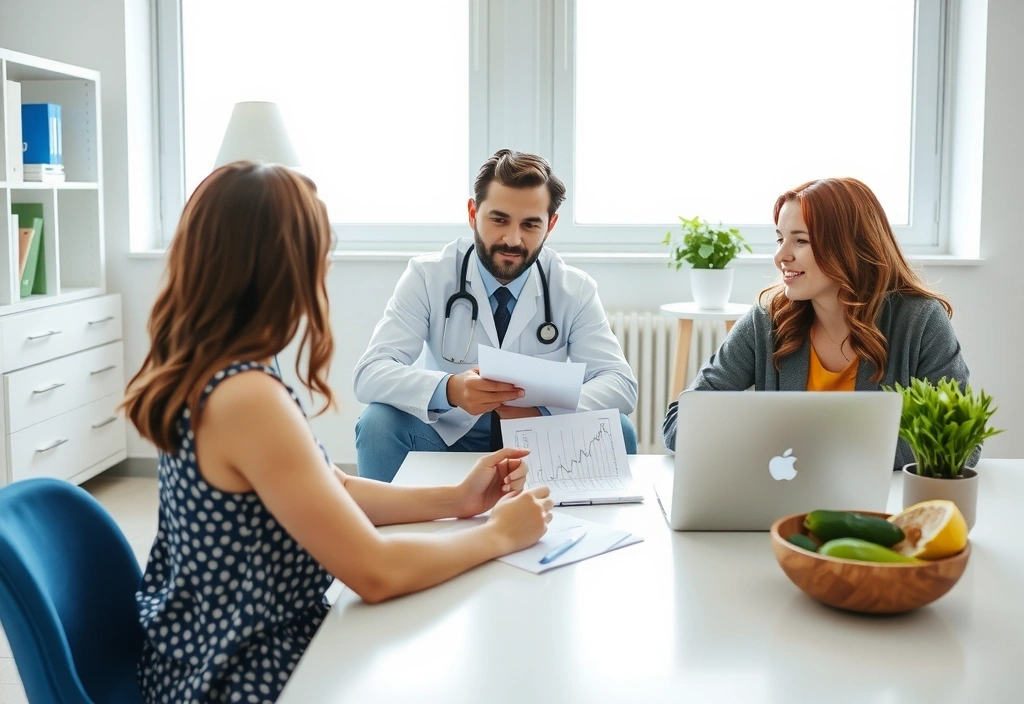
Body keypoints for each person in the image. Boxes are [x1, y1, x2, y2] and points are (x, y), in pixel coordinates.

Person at [122, 162, 554, 704]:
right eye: (317, 253)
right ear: (280, 267)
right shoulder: (247, 397)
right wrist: (499, 535)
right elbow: (375, 572)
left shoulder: (225, 365)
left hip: (211, 647)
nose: (322, 270)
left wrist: (456, 499)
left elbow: (331, 488)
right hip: (238, 671)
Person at [353, 149, 639, 482]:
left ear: (551, 225)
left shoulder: (573, 288)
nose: (512, 240)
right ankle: (384, 532)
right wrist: (451, 389)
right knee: (377, 423)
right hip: (447, 435)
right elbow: (370, 373)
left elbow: (620, 384)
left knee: (620, 429)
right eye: (499, 219)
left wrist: (541, 412)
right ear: (473, 213)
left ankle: (599, 532)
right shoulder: (428, 276)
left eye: (530, 224)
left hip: (539, 438)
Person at [662, 177, 978, 471]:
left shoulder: (919, 321)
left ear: (850, 247)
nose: (781, 256)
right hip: (781, 503)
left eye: (800, 241)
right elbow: (679, 424)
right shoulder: (767, 321)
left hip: (887, 506)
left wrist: (804, 449)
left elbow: (958, 442)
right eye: (780, 239)